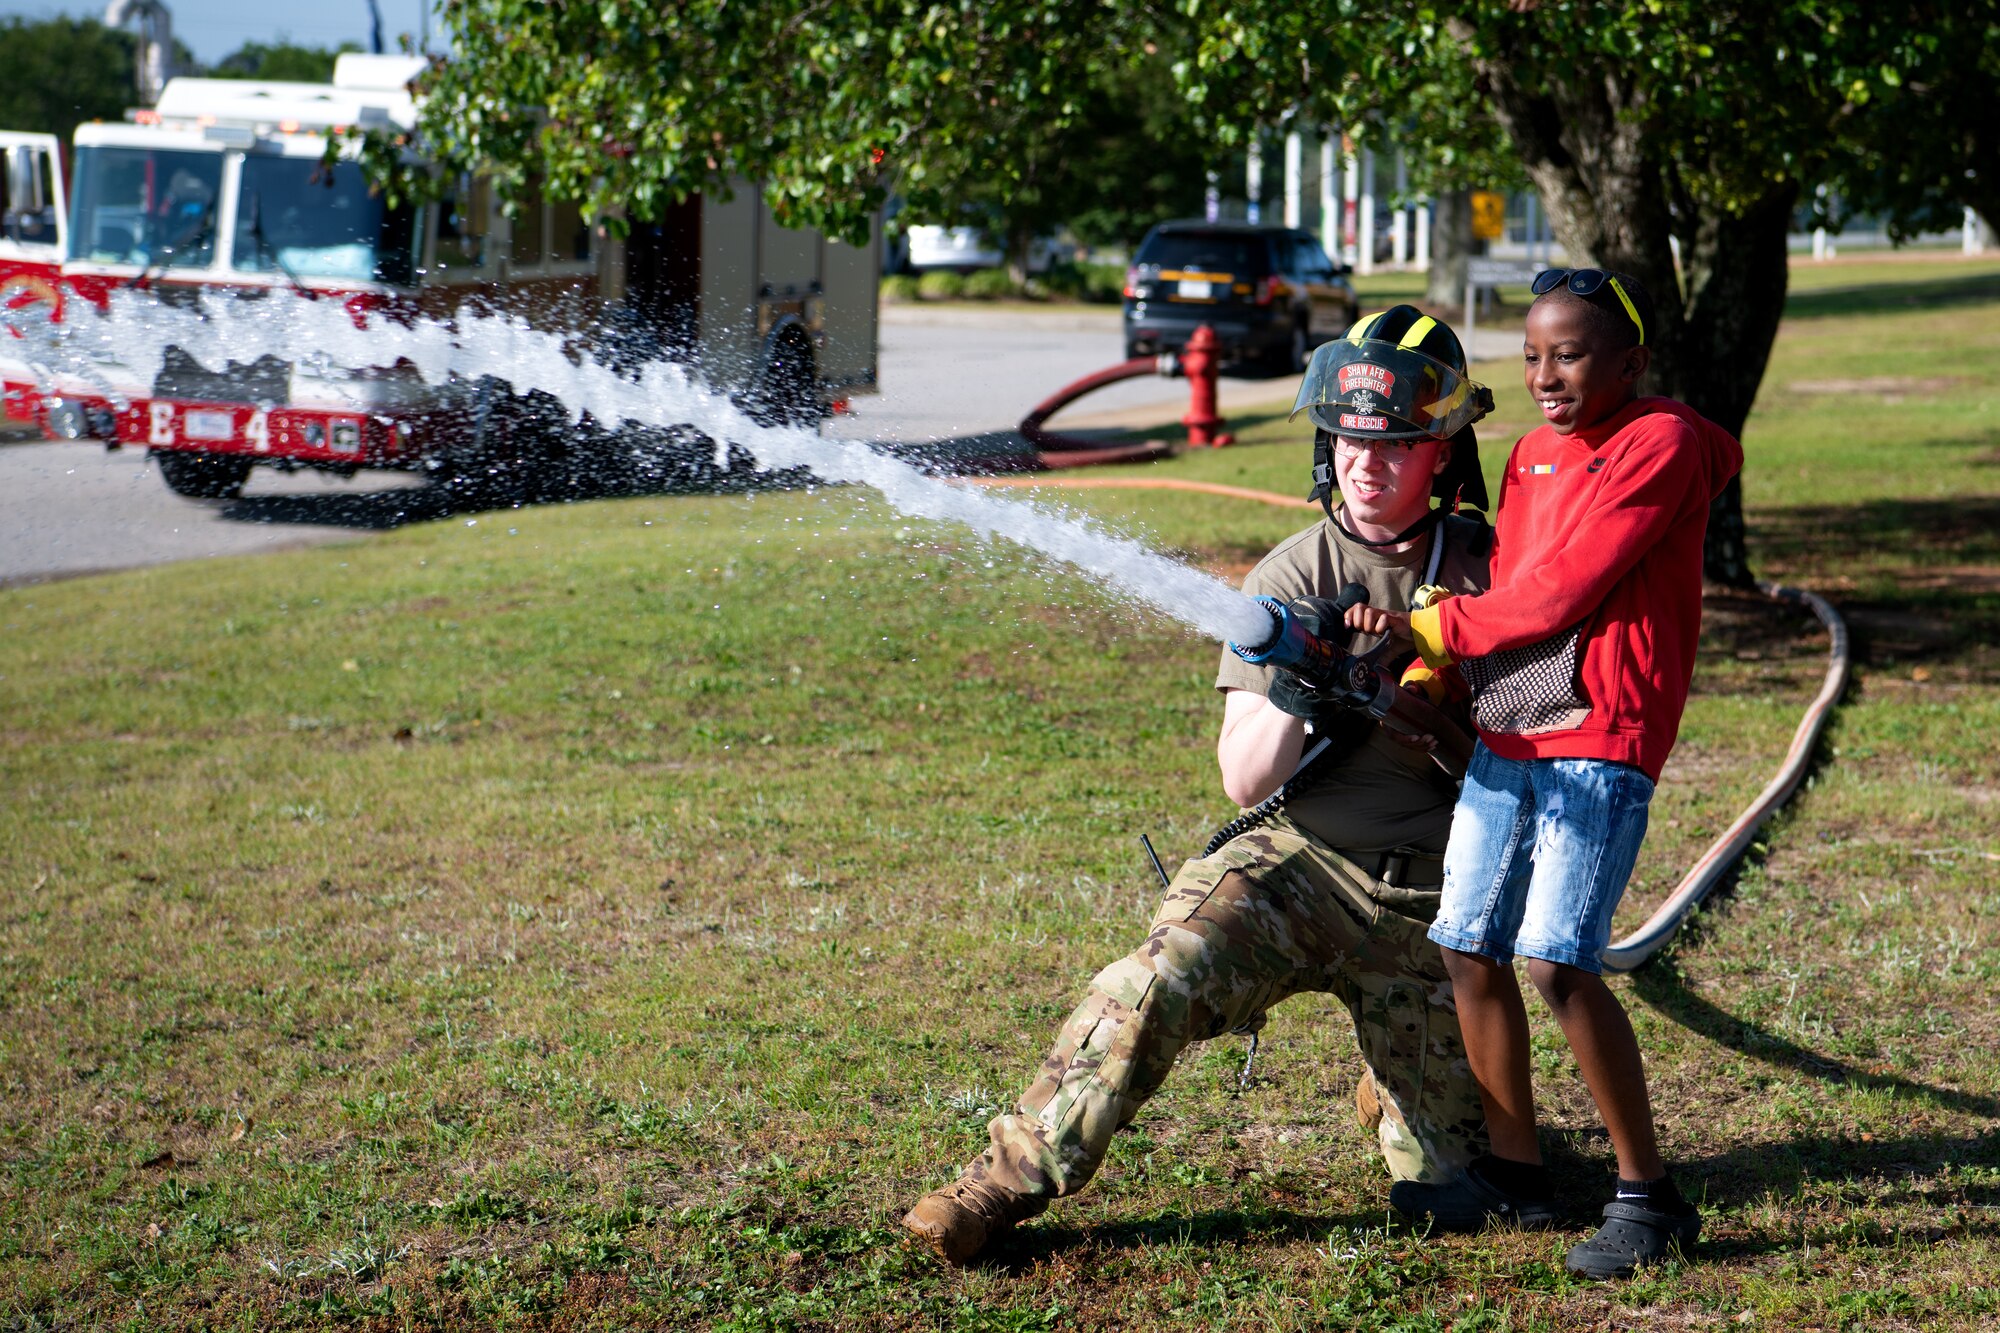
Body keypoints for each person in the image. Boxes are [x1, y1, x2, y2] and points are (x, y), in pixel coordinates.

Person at [901, 306, 1500, 1265]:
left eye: (1393, 443)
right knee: (1156, 979)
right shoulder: (1288, 576)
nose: (1366, 462)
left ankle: (1395, 1082)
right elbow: (1244, 777)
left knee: (1453, 1196)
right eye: (1349, 438)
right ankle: (993, 1186)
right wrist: (1303, 693)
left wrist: (1445, 722)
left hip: (1437, 896)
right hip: (1298, 867)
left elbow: (1545, 745)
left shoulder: (1492, 572)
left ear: (1441, 448)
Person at [1362, 270, 1743, 1278]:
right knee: (1466, 946)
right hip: (1512, 728)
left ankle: (1648, 1200)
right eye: (1530, 356)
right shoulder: (1529, 455)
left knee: (1558, 962)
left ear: (1629, 360)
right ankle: (1514, 1176)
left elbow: (1563, 590)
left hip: (1600, 736)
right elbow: (1506, 593)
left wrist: (1428, 620)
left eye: (1567, 353)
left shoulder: (1656, 444)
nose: (1545, 375)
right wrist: (1429, 662)